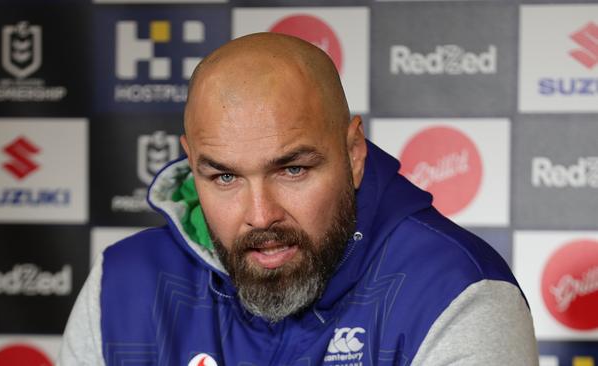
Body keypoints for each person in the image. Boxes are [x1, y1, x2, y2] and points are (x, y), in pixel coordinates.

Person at [59, 33, 538, 365]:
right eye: (224, 177)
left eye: (292, 169)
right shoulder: (122, 287)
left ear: (353, 154)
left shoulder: (454, 294)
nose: (261, 215)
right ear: (192, 163)